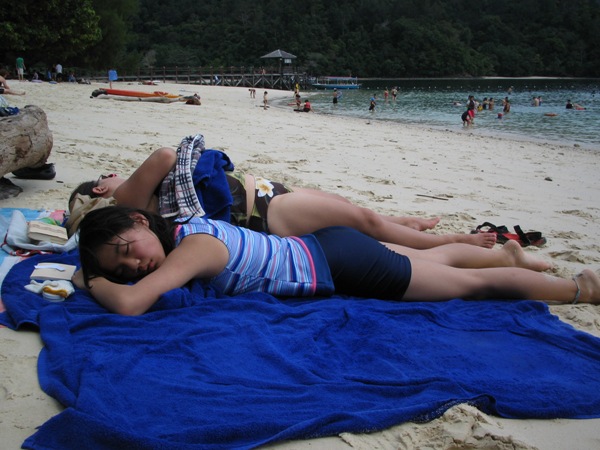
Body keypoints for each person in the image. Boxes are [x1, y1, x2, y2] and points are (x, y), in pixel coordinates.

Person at [73, 206, 599, 317]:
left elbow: (132, 304)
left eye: (126, 250)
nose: (132, 266)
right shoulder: (188, 228)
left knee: (466, 288)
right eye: (120, 268)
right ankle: (507, 254)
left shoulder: (191, 249)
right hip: (327, 247)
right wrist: (104, 268)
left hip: (339, 264)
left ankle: (583, 288)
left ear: (140, 222)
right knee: (437, 260)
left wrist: (91, 278)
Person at [69, 146, 497, 250]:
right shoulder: (125, 198)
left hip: (266, 195)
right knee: (364, 223)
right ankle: (454, 241)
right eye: (107, 176)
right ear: (102, 189)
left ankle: (406, 224)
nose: (115, 173)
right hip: (267, 212)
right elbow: (166, 155)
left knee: (357, 213)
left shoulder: (138, 202)